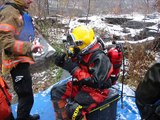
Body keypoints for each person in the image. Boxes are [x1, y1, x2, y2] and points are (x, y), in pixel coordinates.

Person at [51, 25, 114, 120]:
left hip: (98, 91)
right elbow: (74, 65)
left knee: (74, 110)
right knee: (56, 91)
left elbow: (95, 82)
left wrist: (74, 69)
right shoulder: (82, 53)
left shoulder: (100, 58)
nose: (73, 46)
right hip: (83, 85)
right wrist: (62, 63)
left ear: (82, 43)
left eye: (75, 43)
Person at [0, 0, 43, 119]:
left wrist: (32, 44)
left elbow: (20, 34)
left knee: (27, 94)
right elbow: (5, 42)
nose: (31, 1)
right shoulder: (9, 12)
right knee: (26, 96)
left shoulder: (18, 11)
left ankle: (26, 117)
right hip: (15, 62)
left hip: (21, 60)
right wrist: (29, 47)